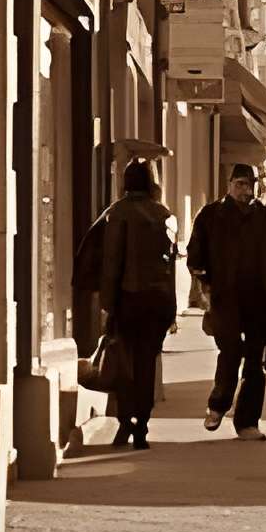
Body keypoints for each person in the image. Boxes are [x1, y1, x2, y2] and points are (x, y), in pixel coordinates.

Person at [186, 159, 266, 437]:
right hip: (225, 299)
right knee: (231, 353)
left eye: (251, 185)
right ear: (229, 185)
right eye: (241, 185)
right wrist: (204, 286)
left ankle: (247, 422)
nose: (247, 191)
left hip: (260, 300)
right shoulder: (210, 215)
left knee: (256, 362)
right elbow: (195, 255)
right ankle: (219, 404)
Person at [90, 160, 178, 447]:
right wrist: (171, 307)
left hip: (129, 298)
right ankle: (142, 422)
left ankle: (126, 420)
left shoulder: (119, 213)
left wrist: (108, 303)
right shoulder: (163, 214)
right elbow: (170, 264)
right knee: (146, 364)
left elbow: (112, 261)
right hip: (158, 300)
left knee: (124, 363)